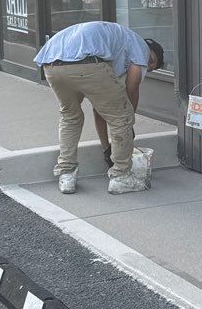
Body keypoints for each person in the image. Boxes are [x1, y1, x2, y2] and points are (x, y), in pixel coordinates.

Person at [35, 22, 163, 195]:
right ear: (152, 56)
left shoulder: (119, 38)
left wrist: (106, 148)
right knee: (122, 116)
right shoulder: (142, 48)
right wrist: (128, 123)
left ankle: (66, 175)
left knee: (70, 116)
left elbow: (100, 109)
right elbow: (131, 90)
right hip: (87, 63)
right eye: (151, 66)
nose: (147, 69)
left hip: (51, 62)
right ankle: (121, 176)